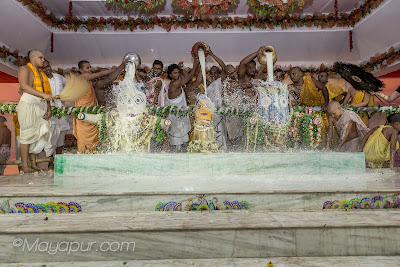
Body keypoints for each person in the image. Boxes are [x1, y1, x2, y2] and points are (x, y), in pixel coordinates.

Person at [74, 60, 125, 153]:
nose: (90, 69)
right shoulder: (83, 77)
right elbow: (102, 74)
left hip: (93, 111)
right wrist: (120, 68)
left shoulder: (90, 82)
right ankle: (83, 154)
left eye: (90, 67)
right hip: (84, 112)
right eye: (87, 67)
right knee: (84, 137)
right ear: (81, 70)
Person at [17, 50, 54, 173]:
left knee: (37, 135)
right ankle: (24, 165)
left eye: (43, 58)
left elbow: (47, 94)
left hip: (41, 105)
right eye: (41, 57)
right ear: (32, 57)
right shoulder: (25, 69)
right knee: (27, 134)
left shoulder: (42, 73)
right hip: (28, 104)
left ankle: (33, 164)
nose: (43, 60)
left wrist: (49, 109)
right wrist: (43, 95)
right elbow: (24, 86)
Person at [41, 60, 71, 169]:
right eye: (44, 68)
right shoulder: (40, 80)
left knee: (62, 135)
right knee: (50, 137)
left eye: (48, 66)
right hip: (48, 111)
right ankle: (50, 162)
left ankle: (58, 161)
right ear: (41, 69)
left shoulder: (59, 77)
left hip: (61, 110)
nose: (47, 69)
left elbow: (69, 87)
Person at [165, 58, 199, 152]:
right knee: (177, 146)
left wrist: (179, 67)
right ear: (170, 75)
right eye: (175, 73)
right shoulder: (175, 84)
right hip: (176, 119)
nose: (177, 74)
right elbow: (191, 75)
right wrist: (195, 63)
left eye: (177, 72)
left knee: (180, 143)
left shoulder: (170, 83)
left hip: (176, 117)